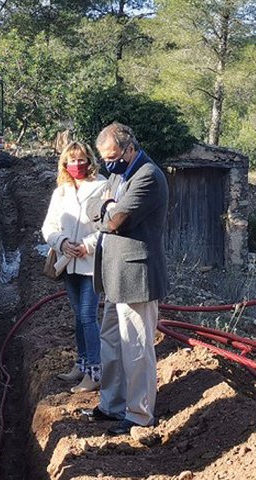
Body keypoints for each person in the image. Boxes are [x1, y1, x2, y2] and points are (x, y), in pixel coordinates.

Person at [85, 122, 169, 436]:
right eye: (104, 158)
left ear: (129, 147)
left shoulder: (147, 176)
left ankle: (139, 414)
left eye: (113, 156)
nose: (108, 163)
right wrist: (106, 206)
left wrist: (107, 209)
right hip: (114, 274)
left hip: (136, 275)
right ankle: (112, 405)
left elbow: (116, 220)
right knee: (111, 341)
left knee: (136, 346)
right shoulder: (120, 174)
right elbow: (93, 204)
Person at [41, 141, 106, 393]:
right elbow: (49, 226)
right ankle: (80, 362)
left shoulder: (102, 187)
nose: (76, 165)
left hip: (90, 263)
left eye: (81, 160)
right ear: (64, 164)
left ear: (89, 161)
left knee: (88, 317)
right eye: (71, 160)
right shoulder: (62, 192)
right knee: (78, 316)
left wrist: (88, 245)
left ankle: (94, 370)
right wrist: (62, 242)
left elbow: (107, 226)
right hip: (67, 262)